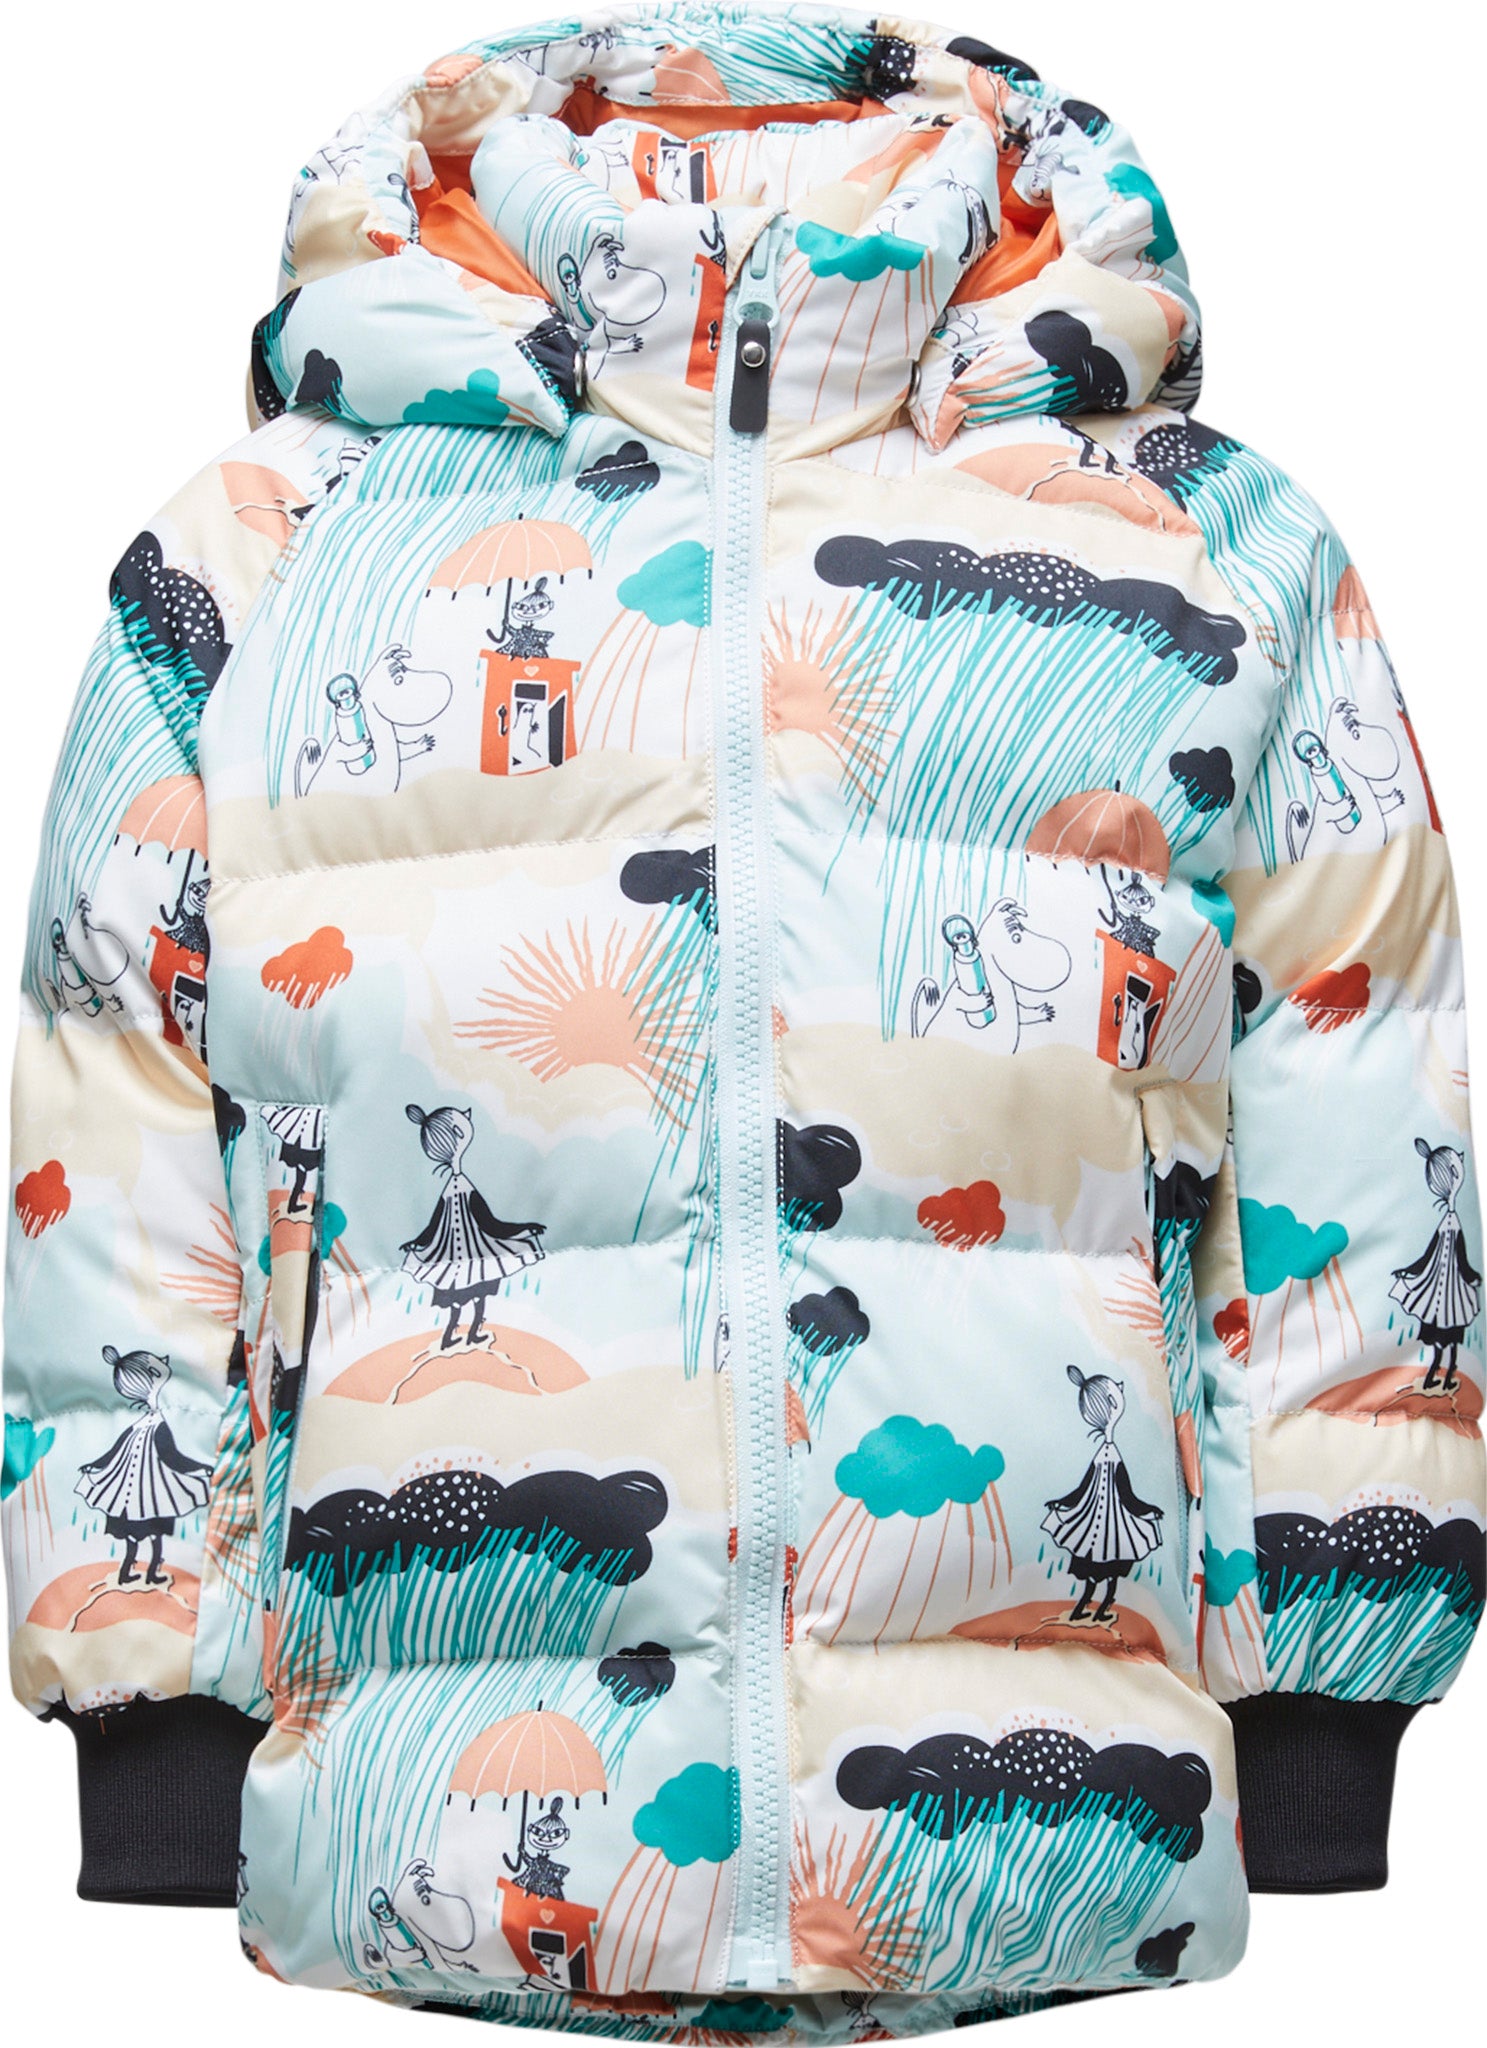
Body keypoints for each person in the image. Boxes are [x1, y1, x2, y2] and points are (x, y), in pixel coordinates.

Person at [400, 1105, 546, 1350]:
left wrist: (418, 1243)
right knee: (475, 1297)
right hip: (471, 1257)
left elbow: (436, 1225)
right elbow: (490, 1224)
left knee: (463, 1299)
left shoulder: (452, 1188)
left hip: (464, 1258)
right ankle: (462, 1335)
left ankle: (458, 1335)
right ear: (458, 1133)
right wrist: (523, 1230)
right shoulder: (462, 1187)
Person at [74, 1347, 213, 1586]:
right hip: (150, 1492)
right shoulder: (156, 1423)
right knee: (155, 1534)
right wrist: (200, 1468)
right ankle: (151, 1573)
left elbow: (115, 1451)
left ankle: (127, 1572)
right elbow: (171, 1457)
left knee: (133, 1535)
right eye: (159, 1364)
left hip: (130, 1494)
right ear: (152, 1375)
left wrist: (95, 1465)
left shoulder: (139, 1424)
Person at [1042, 1363, 1163, 1625]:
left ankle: (1083, 1608)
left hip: (1095, 1529)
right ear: (1113, 1403)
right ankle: (1101, 1608)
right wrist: (1147, 1511)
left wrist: (1062, 1503)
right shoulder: (1111, 1455)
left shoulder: (1101, 1455)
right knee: (1111, 1573)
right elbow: (1126, 1495)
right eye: (1117, 1390)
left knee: (1094, 1572)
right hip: (1112, 1528)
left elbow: (1082, 1490)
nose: (1121, 1388)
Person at [1391, 1137, 1482, 1394]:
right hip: (1445, 1291)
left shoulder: (1449, 1221)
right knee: (1447, 1337)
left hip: (1448, 1291)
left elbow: (1450, 1256)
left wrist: (1469, 1276)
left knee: (1446, 1337)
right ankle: (1441, 1374)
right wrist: (1410, 1271)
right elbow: (1445, 1255)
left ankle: (1443, 1374)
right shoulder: (1450, 1222)